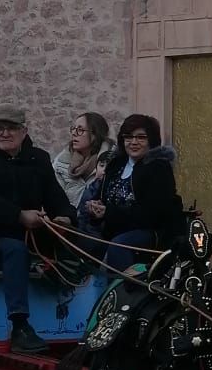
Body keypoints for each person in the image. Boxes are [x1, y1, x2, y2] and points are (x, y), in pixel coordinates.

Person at [0, 104, 74, 354]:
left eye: (11, 128)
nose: (4, 133)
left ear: (24, 131)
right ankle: (20, 325)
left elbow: (55, 196)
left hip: (36, 235)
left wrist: (65, 218)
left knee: (87, 243)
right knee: (14, 249)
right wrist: (19, 216)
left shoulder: (38, 159)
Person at [79, 114, 186, 272]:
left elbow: (152, 215)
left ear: (151, 140)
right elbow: (102, 199)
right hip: (111, 229)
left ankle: (124, 292)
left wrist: (108, 213)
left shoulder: (158, 168)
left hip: (150, 233)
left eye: (141, 137)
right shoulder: (115, 165)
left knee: (119, 245)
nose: (134, 142)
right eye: (128, 137)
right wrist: (95, 208)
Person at [51, 112, 111, 209]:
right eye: (73, 129)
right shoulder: (61, 163)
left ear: (95, 134)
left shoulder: (110, 161)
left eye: (80, 130)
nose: (74, 133)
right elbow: (54, 197)